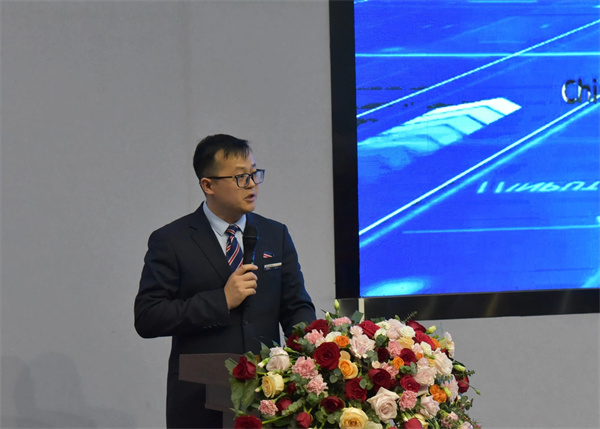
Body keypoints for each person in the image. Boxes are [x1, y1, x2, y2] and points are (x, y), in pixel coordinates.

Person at [134, 134, 316, 428]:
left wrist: (308, 357)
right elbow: (148, 317)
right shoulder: (172, 240)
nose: (252, 184)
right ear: (208, 185)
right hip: (199, 401)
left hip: (270, 398)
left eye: (254, 174)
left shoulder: (275, 234)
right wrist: (221, 300)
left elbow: (296, 307)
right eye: (241, 177)